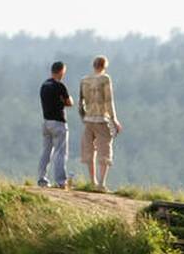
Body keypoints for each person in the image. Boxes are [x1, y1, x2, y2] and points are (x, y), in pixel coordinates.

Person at [77, 56, 124, 189]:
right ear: (104, 66)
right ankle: (102, 183)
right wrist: (114, 119)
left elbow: (81, 103)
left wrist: (84, 117)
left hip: (88, 120)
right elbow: (109, 100)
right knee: (104, 150)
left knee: (89, 150)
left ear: (94, 65)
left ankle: (93, 181)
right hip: (101, 119)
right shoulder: (105, 79)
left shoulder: (84, 80)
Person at [36, 61, 73, 188]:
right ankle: (61, 181)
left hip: (46, 122)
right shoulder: (59, 86)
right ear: (61, 71)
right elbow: (69, 102)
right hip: (58, 122)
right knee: (60, 152)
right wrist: (63, 100)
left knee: (46, 151)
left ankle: (42, 178)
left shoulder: (44, 85)